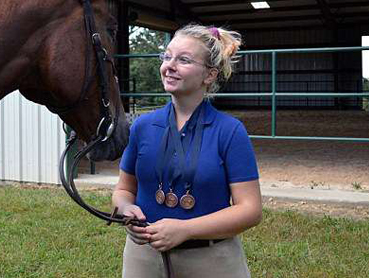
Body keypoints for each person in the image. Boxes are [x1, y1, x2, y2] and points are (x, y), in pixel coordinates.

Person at [112, 24, 262, 278]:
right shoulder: (143, 126)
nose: (169, 65)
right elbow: (124, 190)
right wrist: (126, 208)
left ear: (210, 75)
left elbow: (250, 210)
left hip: (210, 260)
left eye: (183, 60)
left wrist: (186, 229)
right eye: (167, 56)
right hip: (144, 257)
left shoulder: (229, 131)